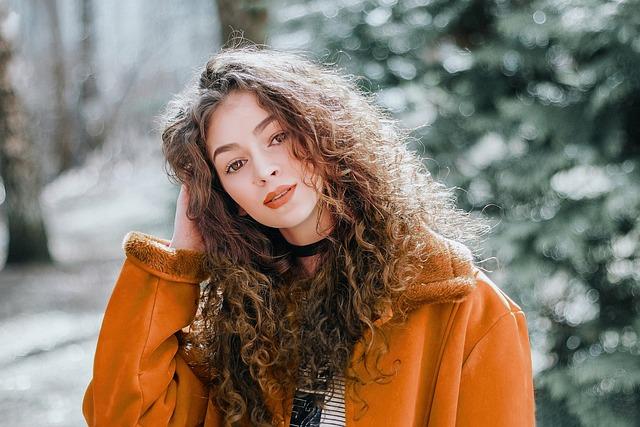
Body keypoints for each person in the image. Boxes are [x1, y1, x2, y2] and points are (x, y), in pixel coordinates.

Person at [82, 45, 535, 426]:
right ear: (226, 198)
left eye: (276, 137)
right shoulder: (235, 324)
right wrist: (177, 268)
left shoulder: (461, 306)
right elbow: (121, 416)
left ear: (323, 132)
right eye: (234, 164)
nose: (264, 170)